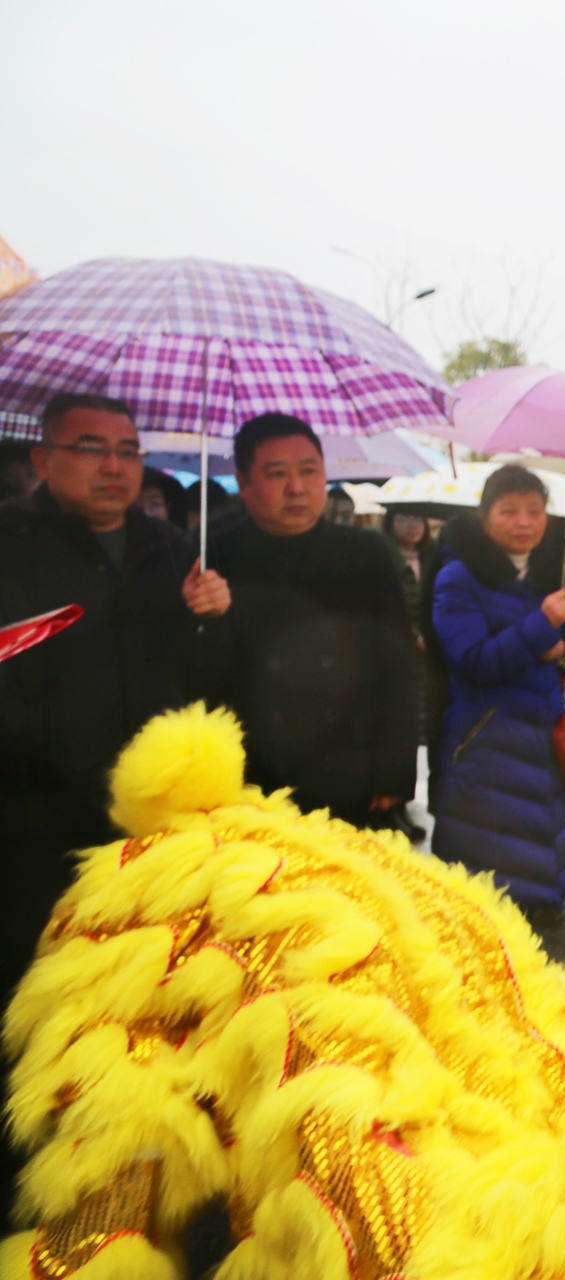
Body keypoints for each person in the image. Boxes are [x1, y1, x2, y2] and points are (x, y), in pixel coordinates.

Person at [0, 393, 229, 1215]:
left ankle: (120, 1185)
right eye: (90, 448)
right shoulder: (11, 545)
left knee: (132, 1007)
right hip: (28, 827)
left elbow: (203, 685)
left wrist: (214, 618)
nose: (113, 465)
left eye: (128, 450)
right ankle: (22, 1181)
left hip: (143, 836)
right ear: (43, 461)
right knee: (28, 1003)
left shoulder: (173, 551)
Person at [207, 413, 419, 829]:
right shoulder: (214, 553)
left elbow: (397, 666)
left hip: (346, 765)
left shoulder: (365, 553)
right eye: (276, 474)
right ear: (244, 483)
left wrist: (394, 770)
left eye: (309, 471)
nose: (296, 488)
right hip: (245, 772)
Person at [428, 465, 565, 917]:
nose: (524, 522)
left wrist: (562, 643)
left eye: (535, 511)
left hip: (544, 743)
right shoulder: (458, 577)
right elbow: (472, 660)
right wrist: (543, 628)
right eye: (509, 510)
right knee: (487, 899)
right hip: (487, 744)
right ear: (484, 516)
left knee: (540, 880)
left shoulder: (546, 574)